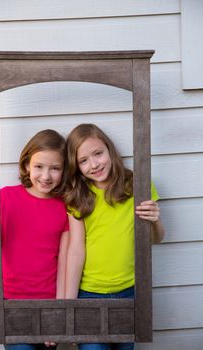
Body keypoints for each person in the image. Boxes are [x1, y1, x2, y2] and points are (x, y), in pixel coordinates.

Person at [64, 123, 165, 350]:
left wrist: (155, 220)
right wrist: (69, 307)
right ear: (76, 166)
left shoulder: (137, 185)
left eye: (98, 153)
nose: (94, 164)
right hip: (89, 294)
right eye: (83, 160)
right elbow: (76, 250)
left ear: (109, 150)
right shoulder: (78, 196)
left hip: (130, 292)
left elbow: (156, 239)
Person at [0, 129, 69, 350]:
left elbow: (66, 262)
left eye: (55, 168)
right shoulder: (5, 197)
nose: (45, 176)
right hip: (11, 303)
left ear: (64, 171)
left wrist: (58, 312)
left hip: (49, 306)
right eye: (38, 166)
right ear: (27, 165)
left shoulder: (65, 206)